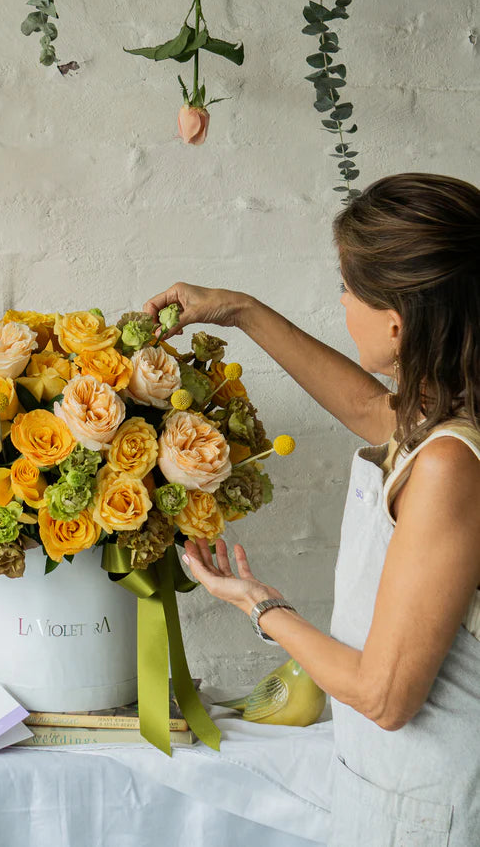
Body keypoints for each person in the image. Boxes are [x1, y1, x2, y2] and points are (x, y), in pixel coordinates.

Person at [143, 172, 480, 847]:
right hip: (401, 791)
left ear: (397, 320)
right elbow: (365, 408)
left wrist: (261, 607)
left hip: (427, 812)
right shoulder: (449, 419)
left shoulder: (449, 465)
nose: (341, 300)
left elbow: (385, 697)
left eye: (348, 288)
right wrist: (238, 309)